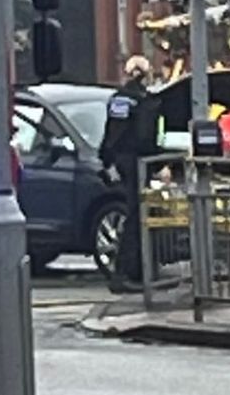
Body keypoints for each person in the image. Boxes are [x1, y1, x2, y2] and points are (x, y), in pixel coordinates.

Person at [100, 55, 160, 292]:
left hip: (130, 162)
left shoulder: (127, 99)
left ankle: (135, 270)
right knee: (135, 216)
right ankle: (124, 273)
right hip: (133, 162)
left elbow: (114, 132)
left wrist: (107, 159)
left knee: (136, 215)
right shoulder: (136, 100)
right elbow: (131, 135)